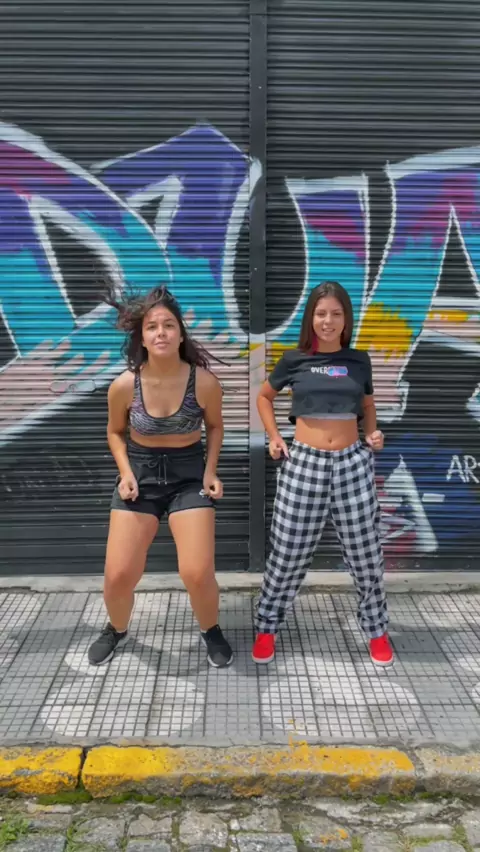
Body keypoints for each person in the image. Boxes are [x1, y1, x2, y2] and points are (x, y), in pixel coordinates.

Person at [88, 285, 233, 669]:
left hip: (189, 478)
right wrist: (124, 473)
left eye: (169, 325)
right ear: (142, 338)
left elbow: (215, 427)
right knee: (118, 574)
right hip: (141, 475)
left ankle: (211, 629)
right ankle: (117, 628)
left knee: (197, 572)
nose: (161, 333)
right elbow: (114, 432)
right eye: (152, 327)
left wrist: (210, 470)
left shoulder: (204, 383)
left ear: (181, 334)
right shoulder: (124, 385)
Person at [252, 281, 393, 668]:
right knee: (288, 552)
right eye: (320, 313)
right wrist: (275, 437)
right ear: (310, 318)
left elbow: (367, 405)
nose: (327, 321)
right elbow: (264, 397)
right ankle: (266, 627)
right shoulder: (294, 359)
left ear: (346, 318)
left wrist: (372, 434)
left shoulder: (358, 360)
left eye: (335, 313)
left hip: (352, 464)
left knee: (366, 554)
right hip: (304, 464)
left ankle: (376, 629)